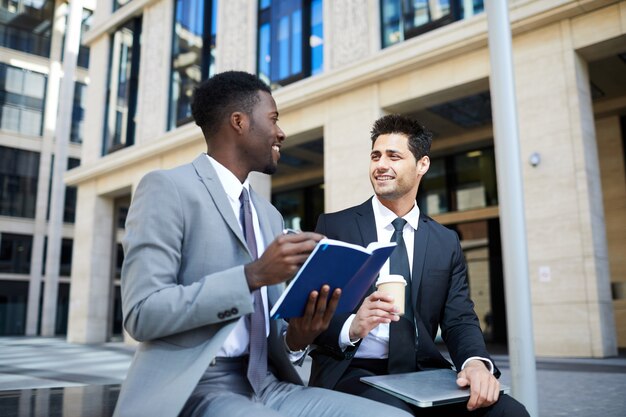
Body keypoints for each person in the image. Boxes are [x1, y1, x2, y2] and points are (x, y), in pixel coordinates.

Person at [113, 71, 412, 417]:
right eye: (273, 119)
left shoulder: (268, 215)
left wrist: (299, 335)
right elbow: (141, 314)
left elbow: (278, 336)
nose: (281, 132)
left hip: (269, 385)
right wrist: (250, 276)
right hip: (195, 388)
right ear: (239, 122)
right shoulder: (166, 189)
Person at [308, 114, 529, 416]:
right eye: (376, 156)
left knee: (510, 412)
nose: (380, 165)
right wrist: (352, 326)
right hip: (355, 371)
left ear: (422, 165)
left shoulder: (445, 241)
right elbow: (309, 311)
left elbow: (459, 318)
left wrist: (475, 363)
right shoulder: (336, 227)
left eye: (393, 156)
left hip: (424, 373)